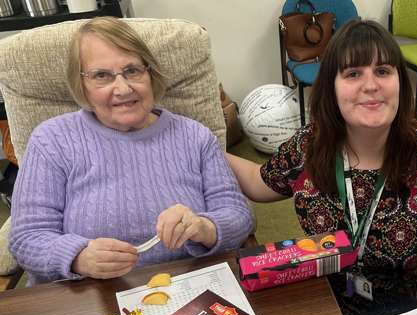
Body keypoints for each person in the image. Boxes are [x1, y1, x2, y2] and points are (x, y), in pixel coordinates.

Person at [226, 18, 417, 315]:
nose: (370, 85)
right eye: (353, 73)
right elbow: (254, 180)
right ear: (331, 87)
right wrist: (202, 145)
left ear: (399, 81)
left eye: (382, 71)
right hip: (332, 310)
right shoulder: (309, 146)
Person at [8, 17, 253, 286]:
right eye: (102, 76)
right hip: (86, 298)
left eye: (133, 71)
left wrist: (205, 228)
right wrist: (78, 257)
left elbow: (239, 215)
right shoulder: (51, 140)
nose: (123, 89)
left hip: (185, 290)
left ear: (150, 74)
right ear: (82, 86)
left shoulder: (195, 136)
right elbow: (26, 238)